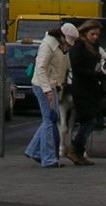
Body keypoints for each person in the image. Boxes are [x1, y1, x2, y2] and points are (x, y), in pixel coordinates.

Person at [25, 22, 75, 168]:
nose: (69, 44)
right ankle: (47, 158)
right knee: (49, 120)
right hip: (42, 86)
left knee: (52, 119)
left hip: (50, 86)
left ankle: (34, 150)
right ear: (62, 36)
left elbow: (60, 68)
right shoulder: (48, 46)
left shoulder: (60, 46)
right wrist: (47, 91)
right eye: (68, 41)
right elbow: (40, 68)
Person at [65, 19, 105, 166]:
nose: (95, 37)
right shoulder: (78, 46)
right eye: (92, 34)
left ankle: (79, 153)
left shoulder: (93, 46)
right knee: (88, 120)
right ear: (85, 33)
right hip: (81, 88)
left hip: (92, 88)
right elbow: (77, 68)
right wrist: (95, 74)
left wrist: (100, 74)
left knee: (91, 120)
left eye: (97, 34)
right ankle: (74, 148)